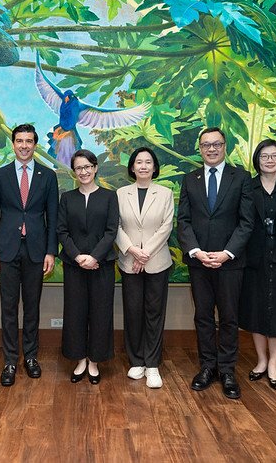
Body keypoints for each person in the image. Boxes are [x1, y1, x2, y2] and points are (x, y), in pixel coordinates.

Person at [177, 127, 253, 399]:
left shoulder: (241, 178)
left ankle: (228, 370)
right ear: (200, 149)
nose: (211, 149)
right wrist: (196, 251)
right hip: (199, 263)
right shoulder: (190, 179)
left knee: (229, 317)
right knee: (203, 316)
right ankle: (208, 367)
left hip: (230, 263)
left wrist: (227, 253)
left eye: (216, 144)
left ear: (225, 146)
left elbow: (246, 222)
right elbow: (183, 221)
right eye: (206, 145)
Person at [0, 123, 58, 387]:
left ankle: (31, 357)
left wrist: (51, 251)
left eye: (29, 141)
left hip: (36, 250)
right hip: (6, 250)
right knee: (8, 307)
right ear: (13, 144)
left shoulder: (47, 176)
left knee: (32, 307)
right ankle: (10, 361)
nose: (24, 146)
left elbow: (53, 217)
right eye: (19, 141)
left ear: (34, 144)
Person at [238, 139, 276, 391]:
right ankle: (261, 360)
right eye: (264, 156)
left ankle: (274, 363)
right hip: (254, 257)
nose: (270, 160)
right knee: (256, 308)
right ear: (257, 160)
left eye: (274, 156)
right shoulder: (248, 186)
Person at [57, 149, 119, 385]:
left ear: (95, 168)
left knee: (100, 313)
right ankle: (80, 359)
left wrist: (94, 257)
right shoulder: (67, 198)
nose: (83, 172)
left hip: (101, 265)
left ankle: (94, 361)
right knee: (75, 313)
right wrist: (77, 256)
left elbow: (111, 231)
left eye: (87, 167)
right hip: (74, 265)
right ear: (74, 172)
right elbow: (62, 231)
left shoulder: (109, 197)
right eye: (78, 168)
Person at [115, 147, 174, 389]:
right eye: (139, 162)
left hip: (156, 262)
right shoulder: (121, 194)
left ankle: (152, 364)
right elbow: (116, 226)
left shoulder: (165, 193)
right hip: (129, 262)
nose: (143, 166)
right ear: (132, 167)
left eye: (148, 162)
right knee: (133, 312)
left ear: (154, 167)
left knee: (154, 313)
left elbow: (166, 226)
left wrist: (144, 253)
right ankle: (136, 360)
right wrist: (132, 251)